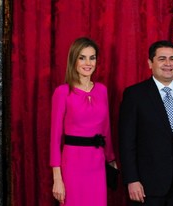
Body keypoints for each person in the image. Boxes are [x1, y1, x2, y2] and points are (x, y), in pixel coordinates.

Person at [119, 40, 173, 206]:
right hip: (146, 186)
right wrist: (132, 179)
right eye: (162, 59)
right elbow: (126, 141)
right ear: (150, 63)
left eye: (172, 59)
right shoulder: (134, 95)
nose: (168, 64)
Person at [50, 37, 116, 206]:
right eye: (82, 57)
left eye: (92, 57)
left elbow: (106, 128)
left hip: (97, 164)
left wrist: (111, 160)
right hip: (72, 164)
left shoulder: (102, 90)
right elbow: (55, 138)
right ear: (74, 60)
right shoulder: (63, 92)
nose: (88, 63)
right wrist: (57, 178)